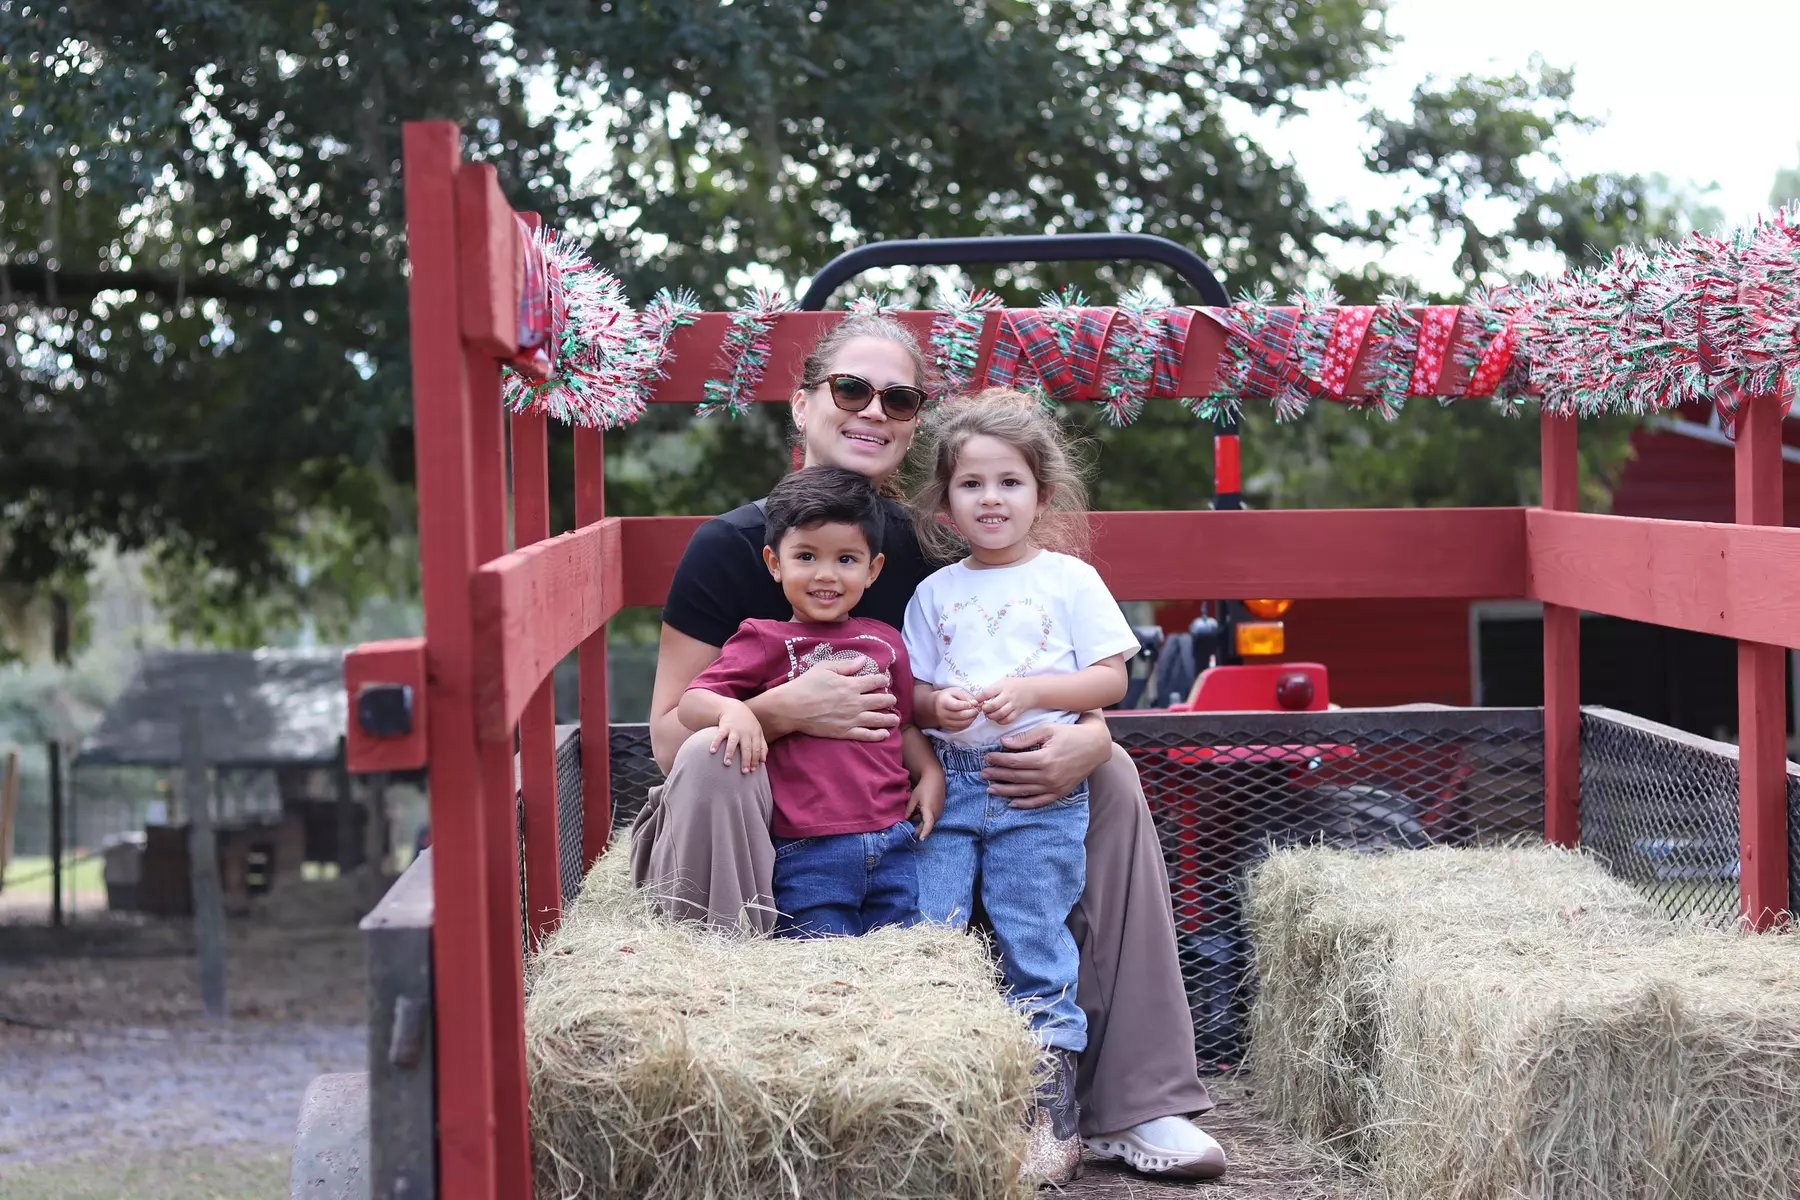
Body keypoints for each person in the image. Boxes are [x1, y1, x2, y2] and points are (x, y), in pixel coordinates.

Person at [634, 313, 1227, 1182]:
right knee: (706, 762)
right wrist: (785, 709)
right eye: (850, 389)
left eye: (899, 397)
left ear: (916, 422)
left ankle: (1130, 1100)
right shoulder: (734, 548)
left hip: (925, 803)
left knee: (1113, 770)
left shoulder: (935, 547)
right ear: (802, 406)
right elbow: (664, 734)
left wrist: (1090, 738)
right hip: (779, 813)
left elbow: (1037, 672)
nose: (873, 410)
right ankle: (715, 1088)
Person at [903, 388, 1137, 1179]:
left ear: (1041, 493)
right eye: (972, 485)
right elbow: (914, 697)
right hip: (956, 784)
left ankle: (1049, 1114)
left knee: (1033, 932)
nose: (991, 498)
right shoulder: (934, 595)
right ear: (945, 504)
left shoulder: (1068, 580)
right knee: (932, 930)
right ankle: (947, 1101)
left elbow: (1110, 681)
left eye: (1009, 482)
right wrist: (943, 704)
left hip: (1038, 787)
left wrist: (1035, 692)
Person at [677, 465, 944, 937]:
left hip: (891, 837)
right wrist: (734, 709)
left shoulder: (884, 642)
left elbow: (900, 724)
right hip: (809, 847)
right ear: (774, 563)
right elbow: (693, 702)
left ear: (873, 569)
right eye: (805, 556)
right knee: (820, 958)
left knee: (897, 959)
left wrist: (930, 772)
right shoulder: (763, 639)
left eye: (846, 559)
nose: (826, 575)